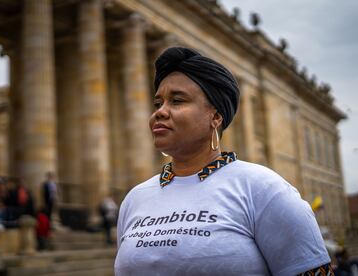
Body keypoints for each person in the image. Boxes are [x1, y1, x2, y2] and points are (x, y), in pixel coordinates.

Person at [114, 47, 332, 275]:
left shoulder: (263, 189)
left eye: (177, 101)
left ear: (216, 117)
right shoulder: (135, 199)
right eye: (158, 104)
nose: (160, 112)